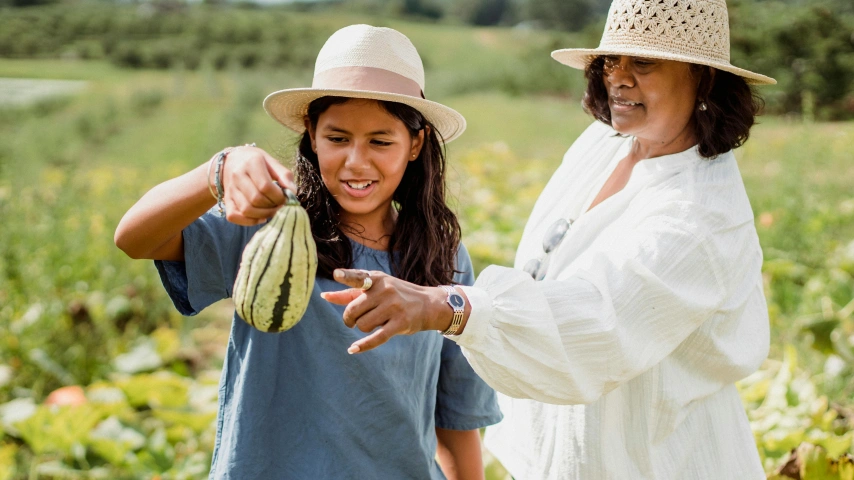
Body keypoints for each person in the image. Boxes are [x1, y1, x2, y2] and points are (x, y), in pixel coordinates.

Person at [322, 0, 776, 478]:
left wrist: (444, 306)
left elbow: (598, 322)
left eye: (643, 63)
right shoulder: (607, 144)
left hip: (653, 462)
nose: (617, 78)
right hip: (568, 458)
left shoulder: (700, 217)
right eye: (610, 62)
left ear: (704, 79)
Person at [114, 24, 501, 480]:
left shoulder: (444, 257)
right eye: (337, 139)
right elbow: (133, 239)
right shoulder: (267, 228)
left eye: (380, 141)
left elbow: (457, 417)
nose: (356, 161)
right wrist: (218, 170)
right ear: (311, 135)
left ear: (415, 144)